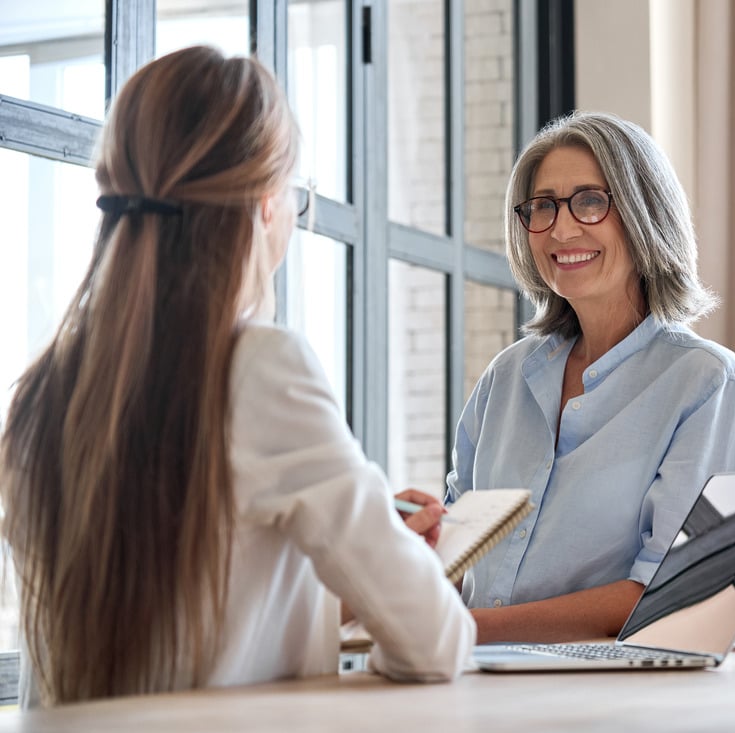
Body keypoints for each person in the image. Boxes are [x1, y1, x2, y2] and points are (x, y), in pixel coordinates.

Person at [0, 46, 474, 708]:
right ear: (264, 205)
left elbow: (176, 637)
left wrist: (319, 575)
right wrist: (393, 556)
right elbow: (437, 641)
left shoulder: (38, 394)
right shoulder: (263, 368)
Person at [446, 111, 735, 643]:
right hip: (471, 686)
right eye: (543, 206)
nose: (562, 228)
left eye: (591, 201)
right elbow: (457, 556)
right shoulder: (505, 379)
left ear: (645, 215)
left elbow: (674, 591)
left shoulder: (708, 385)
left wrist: (464, 630)